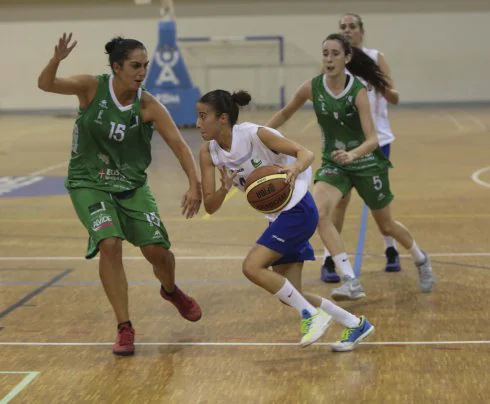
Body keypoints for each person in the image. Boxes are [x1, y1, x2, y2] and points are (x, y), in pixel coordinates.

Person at [38, 33, 203, 356]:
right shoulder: (91, 87)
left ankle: (170, 290)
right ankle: (124, 326)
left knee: (157, 252)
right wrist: (56, 59)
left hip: (131, 185)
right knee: (110, 244)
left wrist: (194, 185)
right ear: (116, 68)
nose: (142, 73)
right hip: (89, 181)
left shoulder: (148, 105)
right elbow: (46, 84)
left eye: (145, 66)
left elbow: (180, 146)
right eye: (135, 66)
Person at [197, 88, 374, 351]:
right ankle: (354, 324)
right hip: (277, 216)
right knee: (291, 294)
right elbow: (210, 205)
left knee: (252, 267)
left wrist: (294, 168)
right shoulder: (209, 153)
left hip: (298, 208)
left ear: (223, 118)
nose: (198, 123)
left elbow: (306, 153)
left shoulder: (255, 134)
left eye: (203, 116)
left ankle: (310, 315)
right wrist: (224, 189)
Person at [266, 33, 435, 300]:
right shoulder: (311, 87)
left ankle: (421, 258)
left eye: (335, 54)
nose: (329, 59)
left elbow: (372, 140)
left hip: (365, 161)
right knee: (319, 214)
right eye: (325, 54)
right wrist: (261, 133)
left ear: (347, 58)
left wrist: (353, 154)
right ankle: (350, 280)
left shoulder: (358, 91)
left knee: (387, 225)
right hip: (335, 163)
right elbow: (286, 113)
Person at [320, 13, 402, 283]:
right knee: (340, 202)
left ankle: (391, 249)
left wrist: (380, 85)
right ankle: (330, 258)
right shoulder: (334, 62)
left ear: (361, 32)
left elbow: (395, 96)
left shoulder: (375, 58)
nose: (347, 30)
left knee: (379, 202)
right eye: (342, 27)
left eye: (352, 26)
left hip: (376, 141)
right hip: (344, 144)